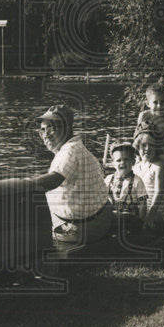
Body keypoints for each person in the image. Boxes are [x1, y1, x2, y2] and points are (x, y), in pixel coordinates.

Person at [32, 104, 111, 244]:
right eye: (42, 130)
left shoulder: (69, 152)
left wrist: (20, 186)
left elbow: (53, 180)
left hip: (82, 229)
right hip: (97, 220)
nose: (46, 134)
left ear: (67, 128)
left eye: (52, 127)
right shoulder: (75, 147)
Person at [133, 129, 164, 225]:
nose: (148, 148)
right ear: (137, 147)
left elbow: (159, 193)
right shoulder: (136, 167)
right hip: (142, 208)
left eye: (152, 145)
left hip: (156, 212)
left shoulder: (159, 166)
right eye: (144, 145)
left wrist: (149, 217)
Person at [106, 142, 147, 228]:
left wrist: (142, 222)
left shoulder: (137, 181)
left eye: (126, 159)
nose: (122, 163)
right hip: (112, 216)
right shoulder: (109, 179)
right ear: (113, 163)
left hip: (130, 218)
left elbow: (143, 204)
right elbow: (102, 198)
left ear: (133, 161)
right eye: (118, 160)